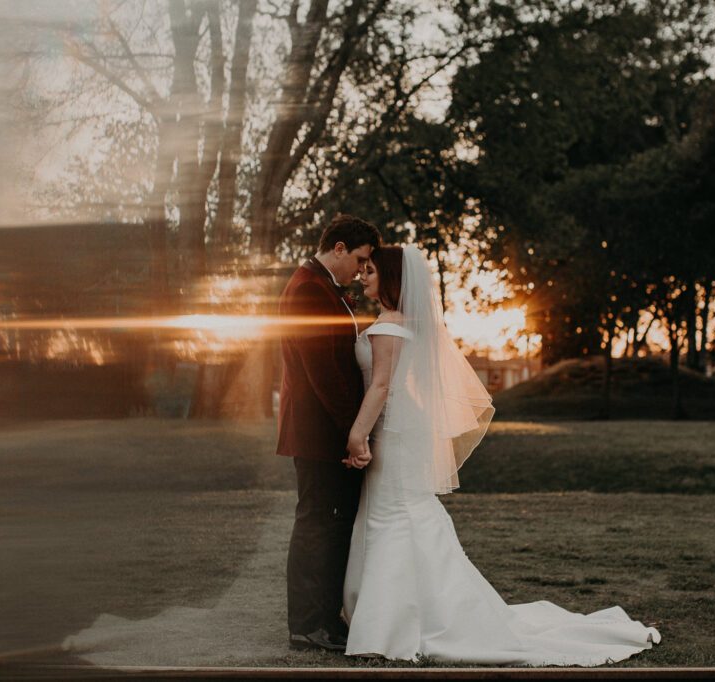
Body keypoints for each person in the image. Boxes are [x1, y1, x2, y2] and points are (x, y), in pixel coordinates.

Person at [341, 244, 661, 665]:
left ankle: (389, 628)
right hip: (402, 437)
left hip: (392, 438)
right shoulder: (406, 326)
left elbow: (382, 387)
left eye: (371, 271)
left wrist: (357, 436)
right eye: (362, 270)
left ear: (391, 279)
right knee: (404, 515)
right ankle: (400, 618)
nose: (363, 276)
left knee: (394, 517)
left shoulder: (389, 329)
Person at [276, 214, 382, 652]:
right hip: (319, 432)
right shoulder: (308, 290)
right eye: (359, 260)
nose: (360, 270)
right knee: (317, 525)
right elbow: (325, 374)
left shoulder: (321, 288)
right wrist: (353, 432)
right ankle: (308, 626)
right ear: (338, 248)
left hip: (324, 430)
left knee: (328, 525)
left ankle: (323, 619)